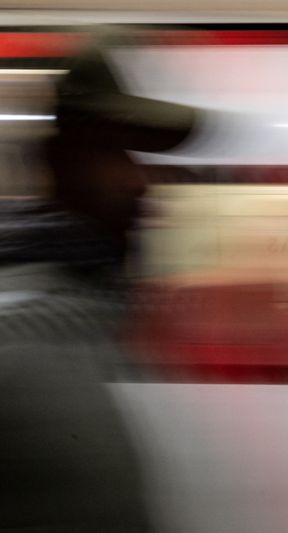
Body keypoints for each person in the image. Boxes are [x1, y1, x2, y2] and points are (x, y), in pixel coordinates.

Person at [0, 28, 196, 531]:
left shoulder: (100, 322)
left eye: (145, 157)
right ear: (55, 161)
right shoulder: (21, 336)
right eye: (115, 151)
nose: (142, 182)